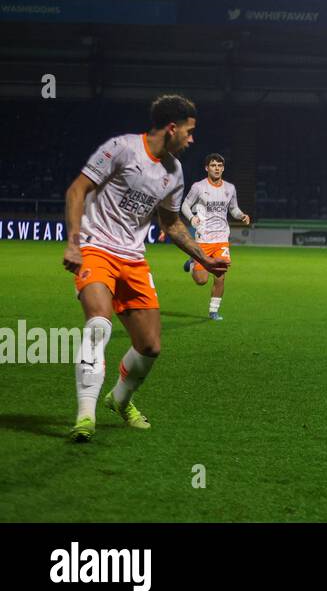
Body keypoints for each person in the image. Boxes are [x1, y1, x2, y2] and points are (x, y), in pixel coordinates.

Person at [61, 94, 230, 442]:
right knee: (97, 326)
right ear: (172, 128)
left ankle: (120, 399)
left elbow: (170, 224)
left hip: (133, 258)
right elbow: (77, 190)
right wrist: (75, 242)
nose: (192, 138)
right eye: (189, 130)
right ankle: (85, 415)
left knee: (150, 346)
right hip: (96, 249)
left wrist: (203, 258)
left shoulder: (175, 171)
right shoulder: (121, 148)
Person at [180, 153, 250, 320]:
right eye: (213, 165)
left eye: (219, 165)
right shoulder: (198, 187)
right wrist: (192, 217)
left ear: (223, 168)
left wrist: (241, 216)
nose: (216, 168)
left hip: (221, 239)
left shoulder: (230, 188)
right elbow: (185, 205)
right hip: (203, 238)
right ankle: (192, 262)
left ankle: (213, 311)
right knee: (201, 280)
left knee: (220, 276)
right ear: (207, 168)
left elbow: (233, 209)